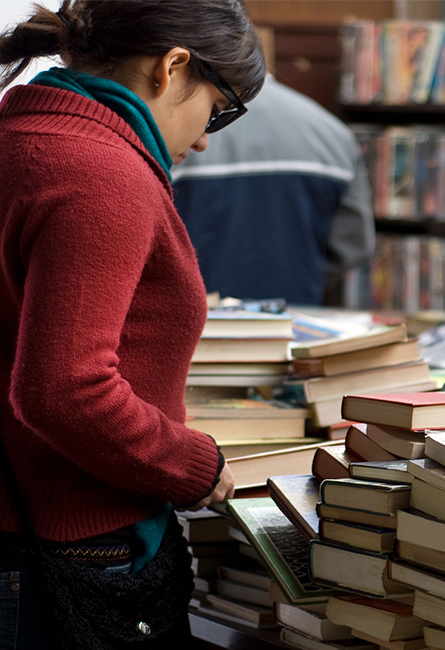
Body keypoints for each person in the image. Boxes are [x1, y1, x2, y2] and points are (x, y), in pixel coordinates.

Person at [0, 0, 264, 646]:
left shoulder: (25, 139)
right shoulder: (102, 173)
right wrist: (195, 465)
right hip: (65, 555)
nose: (204, 137)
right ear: (172, 67)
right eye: (219, 109)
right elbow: (64, 389)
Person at [173, 74, 375, 306]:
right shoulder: (334, 134)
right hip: (294, 319)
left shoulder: (182, 135)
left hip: (199, 321)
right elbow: (352, 246)